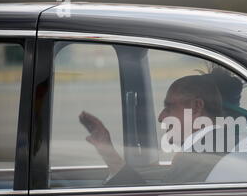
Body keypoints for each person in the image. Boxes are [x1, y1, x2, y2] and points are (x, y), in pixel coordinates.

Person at [79, 74, 232, 185]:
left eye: (169, 107)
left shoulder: (200, 158)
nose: (160, 117)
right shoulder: (215, 146)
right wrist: (109, 153)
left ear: (196, 107)